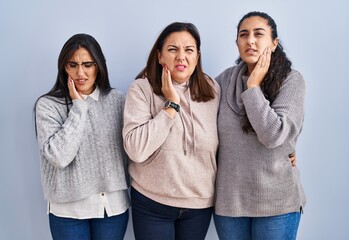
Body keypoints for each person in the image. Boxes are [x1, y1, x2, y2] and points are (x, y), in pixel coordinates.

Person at [122, 22, 220, 240]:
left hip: (199, 204)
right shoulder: (141, 89)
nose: (181, 57)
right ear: (159, 56)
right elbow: (136, 150)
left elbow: (232, 132)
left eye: (189, 50)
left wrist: (285, 151)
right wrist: (171, 106)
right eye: (172, 49)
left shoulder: (213, 90)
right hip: (152, 203)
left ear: (198, 56)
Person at [213, 11, 306, 240]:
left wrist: (253, 86)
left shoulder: (292, 80)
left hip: (277, 204)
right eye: (243, 35)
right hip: (229, 204)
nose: (250, 40)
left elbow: (273, 135)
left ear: (274, 43)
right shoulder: (223, 81)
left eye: (258, 34)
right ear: (237, 43)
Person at [34, 33, 130, 240]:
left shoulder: (117, 100)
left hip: (112, 209)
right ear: (63, 68)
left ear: (99, 66)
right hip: (68, 212)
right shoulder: (48, 105)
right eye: (72, 65)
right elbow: (59, 156)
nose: (80, 73)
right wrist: (79, 107)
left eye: (88, 64)